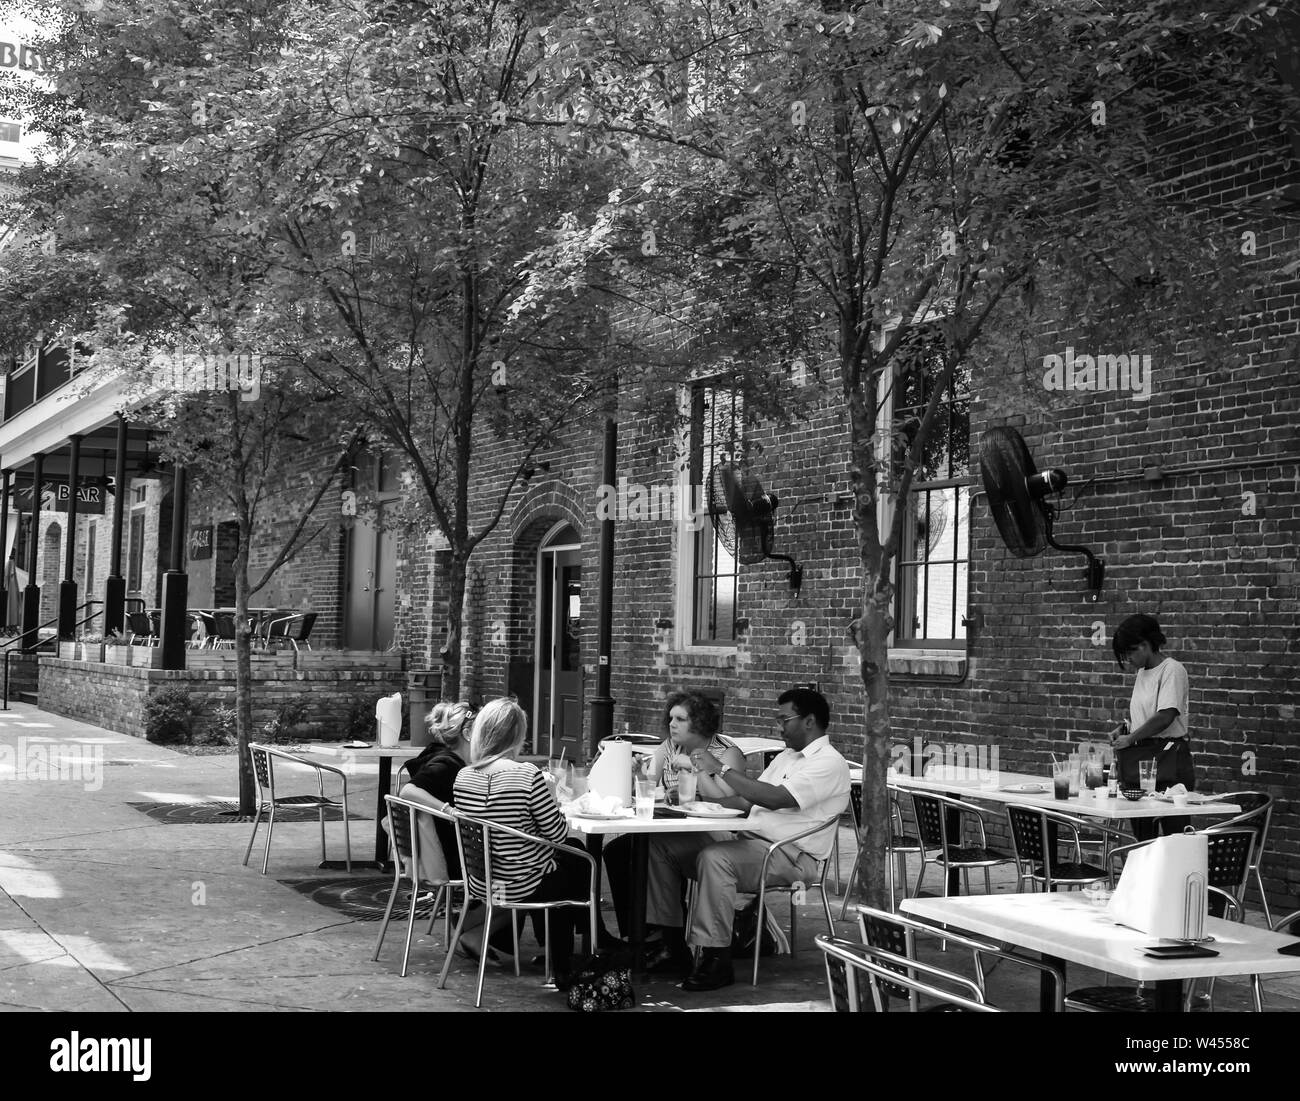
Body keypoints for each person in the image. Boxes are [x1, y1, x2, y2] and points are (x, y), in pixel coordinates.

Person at [643, 687, 850, 991]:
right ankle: (671, 945)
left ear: (809, 721)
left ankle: (716, 959)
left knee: (716, 858)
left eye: (784, 720)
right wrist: (693, 805)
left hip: (790, 855)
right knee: (661, 845)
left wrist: (720, 769)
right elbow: (745, 801)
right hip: (749, 840)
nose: (779, 727)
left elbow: (775, 798)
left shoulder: (828, 762)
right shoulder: (786, 757)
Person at [451, 698, 590, 981]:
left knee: (572, 857)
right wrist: (551, 797)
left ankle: (562, 954)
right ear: (516, 735)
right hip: (522, 883)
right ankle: (568, 961)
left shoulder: (463, 777)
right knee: (577, 863)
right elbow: (557, 834)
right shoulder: (527, 774)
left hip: (484, 881)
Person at [603, 690, 746, 940]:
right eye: (670, 718)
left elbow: (725, 804)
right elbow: (649, 785)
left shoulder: (725, 752)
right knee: (617, 850)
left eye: (680, 719)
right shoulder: (670, 746)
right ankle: (636, 933)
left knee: (648, 849)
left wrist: (697, 767)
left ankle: (666, 935)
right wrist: (638, 774)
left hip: (714, 833)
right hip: (675, 827)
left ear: (700, 722)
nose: (672, 724)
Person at [1109, 613, 1194, 840]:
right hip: (1143, 762)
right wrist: (1125, 728)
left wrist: (1131, 738)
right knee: (1143, 840)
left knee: (1175, 837)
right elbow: (1146, 716)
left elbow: (1166, 715)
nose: (1128, 659)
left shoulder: (1172, 670)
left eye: (1130, 652)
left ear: (1146, 645)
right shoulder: (1142, 673)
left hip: (1169, 760)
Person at [396, 701, 473, 879]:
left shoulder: (451, 760)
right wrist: (448, 810)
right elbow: (408, 791)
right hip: (456, 861)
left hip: (450, 853)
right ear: (468, 734)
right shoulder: (446, 764)